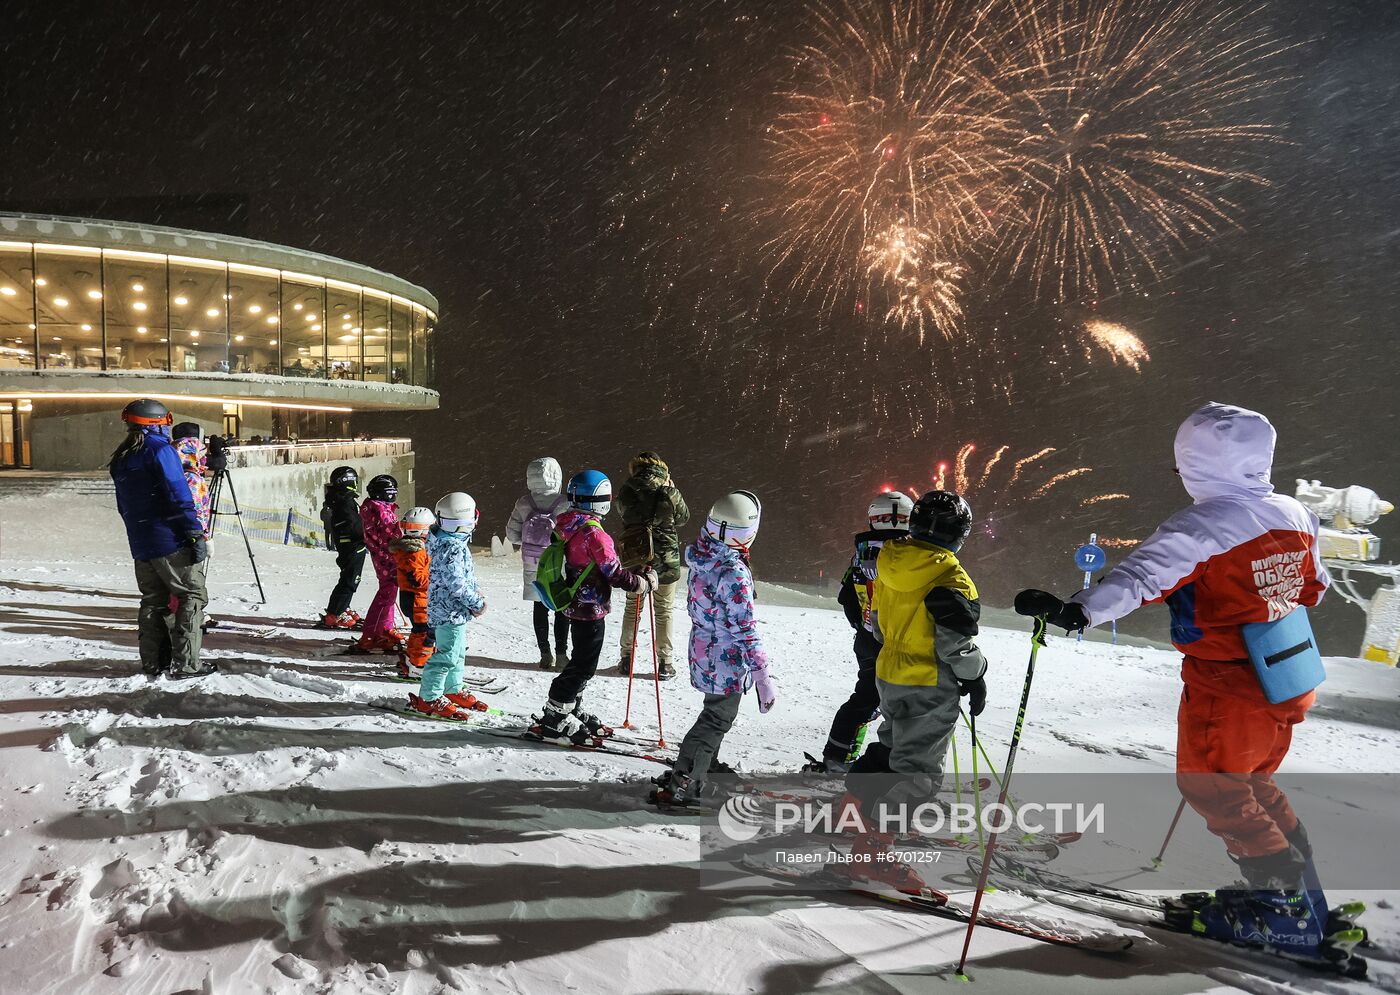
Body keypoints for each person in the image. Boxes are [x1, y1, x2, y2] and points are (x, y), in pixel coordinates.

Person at [1015, 402, 1332, 942]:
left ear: (1196, 464)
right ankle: (1304, 898)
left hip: (1228, 683)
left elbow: (1141, 577)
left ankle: (1285, 916)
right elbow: (1314, 587)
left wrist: (1080, 610)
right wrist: (1261, 601)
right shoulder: (1294, 513)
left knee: (1213, 788)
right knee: (1253, 782)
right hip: (1288, 674)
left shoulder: (1204, 525)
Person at [841, 489, 988, 895]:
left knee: (891, 750)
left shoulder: (889, 559)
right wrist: (976, 675)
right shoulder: (949, 576)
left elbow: (882, 622)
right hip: (927, 681)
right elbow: (954, 644)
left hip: (891, 673)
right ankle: (874, 854)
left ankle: (854, 812)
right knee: (918, 774)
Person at [651, 491, 775, 806]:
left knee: (713, 713)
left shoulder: (705, 556)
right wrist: (761, 673)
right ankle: (687, 780)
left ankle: (705, 765)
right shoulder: (733, 571)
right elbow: (743, 626)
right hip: (726, 657)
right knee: (717, 719)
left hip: (704, 650)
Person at [533, 470, 657, 745]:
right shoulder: (595, 534)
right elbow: (613, 573)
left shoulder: (567, 524)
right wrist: (641, 583)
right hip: (590, 608)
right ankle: (556, 712)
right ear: (601, 500)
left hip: (573, 601)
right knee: (584, 664)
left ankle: (571, 707)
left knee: (581, 657)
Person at [805, 490, 914, 773]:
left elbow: (846, 598)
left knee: (867, 698)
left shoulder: (862, 553)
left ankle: (841, 755)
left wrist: (862, 627)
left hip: (868, 640)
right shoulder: (911, 556)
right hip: (898, 643)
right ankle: (876, 761)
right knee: (895, 703)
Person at [109, 399, 214, 680]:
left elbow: (124, 505)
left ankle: (154, 663)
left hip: (142, 541)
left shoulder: (122, 455)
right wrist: (193, 531)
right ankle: (187, 664)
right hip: (170, 539)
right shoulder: (161, 450)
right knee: (191, 595)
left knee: (153, 600)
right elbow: (178, 492)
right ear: (158, 422)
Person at [408, 493, 490, 720]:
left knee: (456, 653)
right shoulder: (454, 548)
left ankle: (452, 689)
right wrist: (477, 602)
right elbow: (457, 585)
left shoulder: (443, 541)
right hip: (450, 611)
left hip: (448, 609)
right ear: (466, 521)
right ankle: (430, 697)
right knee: (447, 656)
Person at [616, 451, 690, 679]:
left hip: (637, 555)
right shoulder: (667, 489)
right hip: (666, 558)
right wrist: (672, 492)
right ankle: (665, 663)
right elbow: (683, 518)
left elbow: (624, 516)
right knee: (664, 610)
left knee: (633, 608)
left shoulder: (628, 488)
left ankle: (627, 658)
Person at [505, 457, 571, 669]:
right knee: (561, 607)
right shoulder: (565, 503)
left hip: (533, 564)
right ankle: (562, 654)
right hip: (558, 564)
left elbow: (512, 534)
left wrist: (529, 541)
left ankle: (545, 654)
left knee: (539, 608)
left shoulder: (524, 503)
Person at [355, 473, 404, 653]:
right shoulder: (381, 510)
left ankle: (383, 629)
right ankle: (372, 634)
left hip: (382, 557)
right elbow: (389, 535)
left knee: (388, 593)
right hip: (388, 558)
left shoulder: (373, 507)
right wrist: (404, 542)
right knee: (386, 595)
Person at [391, 506, 437, 681]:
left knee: (420, 631)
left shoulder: (414, 548)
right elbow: (418, 579)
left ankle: (413, 659)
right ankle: (419, 665)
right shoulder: (414, 551)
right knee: (425, 633)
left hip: (414, 599)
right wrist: (437, 581)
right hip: (417, 600)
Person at [317, 466, 365, 630]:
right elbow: (353, 524)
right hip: (352, 544)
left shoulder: (342, 498)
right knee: (350, 579)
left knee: (350, 577)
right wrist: (365, 534)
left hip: (350, 543)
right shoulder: (343, 500)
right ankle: (335, 613)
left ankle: (342, 607)